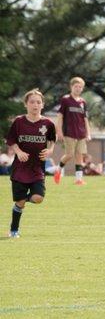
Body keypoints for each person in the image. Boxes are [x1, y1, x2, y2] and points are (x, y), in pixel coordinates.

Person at [5, 89, 56, 238]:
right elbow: (11, 140)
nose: (35, 105)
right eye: (32, 102)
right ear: (26, 104)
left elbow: (53, 139)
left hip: (37, 168)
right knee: (20, 204)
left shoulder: (47, 123)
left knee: (38, 198)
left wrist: (50, 150)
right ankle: (14, 230)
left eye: (38, 102)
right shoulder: (19, 121)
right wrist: (19, 152)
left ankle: (21, 200)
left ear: (43, 105)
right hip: (20, 169)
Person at [54, 76, 92, 185]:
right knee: (69, 155)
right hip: (69, 132)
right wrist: (59, 131)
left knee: (79, 155)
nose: (78, 89)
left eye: (80, 87)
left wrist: (88, 133)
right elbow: (60, 117)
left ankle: (79, 179)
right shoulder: (65, 100)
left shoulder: (83, 102)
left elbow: (85, 119)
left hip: (81, 133)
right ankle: (58, 169)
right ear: (71, 87)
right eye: (76, 86)